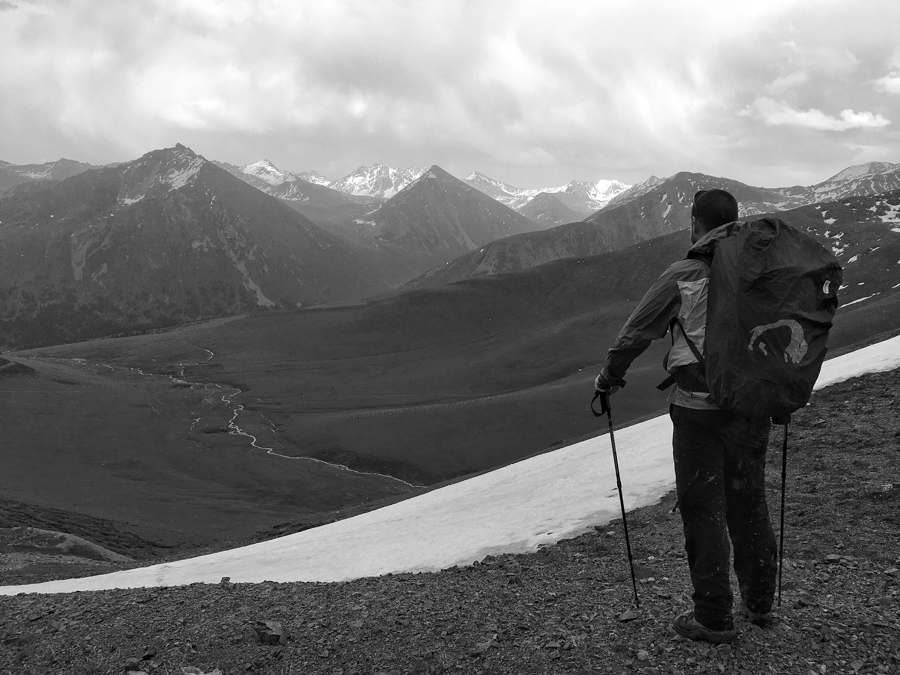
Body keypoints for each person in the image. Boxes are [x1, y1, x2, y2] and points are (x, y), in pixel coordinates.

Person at [594, 189, 777, 644]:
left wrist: (609, 377)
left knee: (703, 508)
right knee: (749, 501)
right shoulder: (763, 271)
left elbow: (637, 330)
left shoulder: (686, 273)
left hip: (698, 409)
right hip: (752, 406)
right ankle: (760, 605)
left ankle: (714, 617)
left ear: (697, 224)